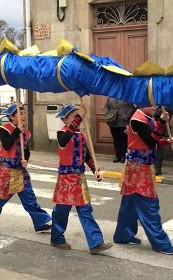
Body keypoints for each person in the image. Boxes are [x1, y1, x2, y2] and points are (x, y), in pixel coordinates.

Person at [0, 104, 51, 235]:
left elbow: (26, 151)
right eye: (21, 113)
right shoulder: (4, 129)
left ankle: (40, 222)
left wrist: (26, 160)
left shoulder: (26, 133)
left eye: (24, 113)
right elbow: (7, 145)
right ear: (12, 117)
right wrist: (17, 130)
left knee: (29, 198)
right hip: (7, 171)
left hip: (20, 171)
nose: (24, 116)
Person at [113, 106, 173, 255]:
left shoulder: (146, 118)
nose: (155, 106)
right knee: (149, 205)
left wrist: (166, 141)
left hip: (141, 167)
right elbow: (150, 141)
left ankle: (123, 235)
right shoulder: (137, 119)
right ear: (141, 103)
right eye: (151, 103)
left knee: (129, 204)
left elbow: (151, 140)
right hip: (138, 169)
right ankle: (161, 243)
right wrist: (161, 122)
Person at [51, 104, 113, 255]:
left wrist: (95, 170)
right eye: (73, 116)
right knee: (61, 211)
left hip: (79, 178)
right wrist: (80, 116)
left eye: (76, 115)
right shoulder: (61, 133)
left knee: (86, 210)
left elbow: (86, 157)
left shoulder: (81, 135)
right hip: (66, 179)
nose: (76, 118)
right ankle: (57, 238)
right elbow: (65, 140)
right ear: (65, 119)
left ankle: (96, 242)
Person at [103, 98, 134, 163]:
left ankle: (123, 156)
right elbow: (106, 107)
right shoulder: (110, 97)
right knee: (116, 139)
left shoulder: (126, 96)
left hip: (123, 122)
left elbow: (132, 108)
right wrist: (107, 115)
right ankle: (117, 156)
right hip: (113, 121)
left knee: (123, 140)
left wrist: (126, 116)